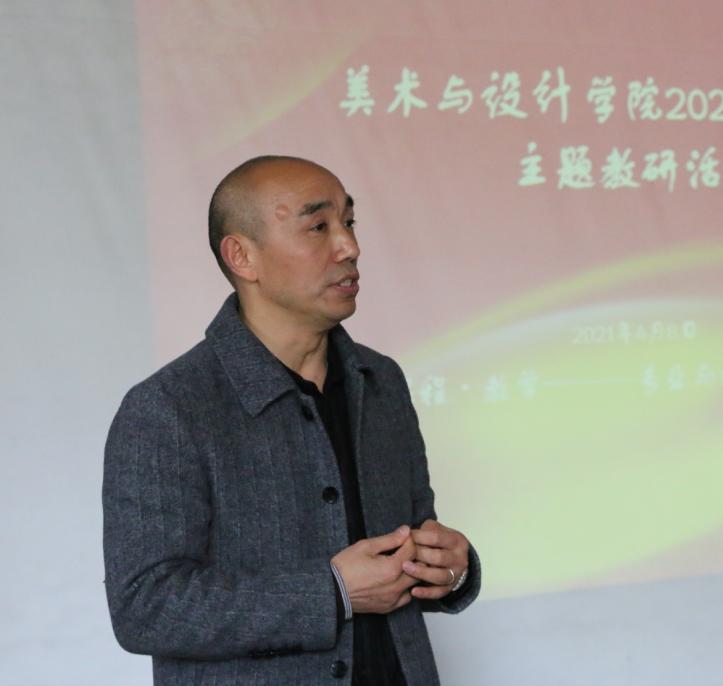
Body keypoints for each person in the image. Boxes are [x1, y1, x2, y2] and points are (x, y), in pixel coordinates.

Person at [102, 155, 480, 685]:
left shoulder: (380, 380)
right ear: (242, 256)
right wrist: (332, 592)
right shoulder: (168, 408)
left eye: (349, 222)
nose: (349, 246)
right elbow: (145, 607)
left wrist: (452, 568)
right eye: (318, 226)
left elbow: (415, 541)